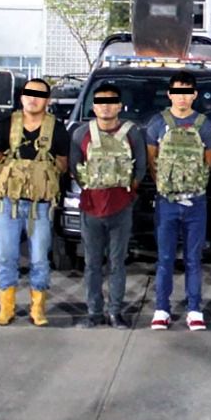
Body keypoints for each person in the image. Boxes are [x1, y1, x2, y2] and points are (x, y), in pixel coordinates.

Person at [68, 82, 148, 329]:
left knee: (117, 263)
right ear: (93, 107)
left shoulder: (132, 133)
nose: (106, 106)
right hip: (91, 208)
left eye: (111, 101)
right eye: (100, 102)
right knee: (92, 264)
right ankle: (94, 312)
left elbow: (140, 168)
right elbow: (75, 168)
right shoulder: (81, 134)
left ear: (119, 106)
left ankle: (115, 311)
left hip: (120, 208)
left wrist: (126, 192)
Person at [0, 78, 69, 327]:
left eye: (39, 95)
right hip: (9, 203)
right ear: (21, 97)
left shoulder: (57, 128)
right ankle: (6, 308)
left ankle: (38, 309)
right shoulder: (7, 125)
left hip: (41, 206)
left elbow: (62, 163)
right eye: (29, 94)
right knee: (5, 256)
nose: (33, 99)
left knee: (39, 258)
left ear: (47, 100)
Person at [144, 71, 211, 331]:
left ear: (194, 95)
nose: (182, 97)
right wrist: (169, 184)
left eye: (187, 92)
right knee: (164, 258)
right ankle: (161, 309)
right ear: (170, 94)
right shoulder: (157, 123)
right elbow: (152, 162)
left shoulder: (203, 125)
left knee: (193, 259)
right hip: (167, 202)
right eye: (177, 92)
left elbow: (209, 161)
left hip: (196, 202)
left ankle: (194, 309)